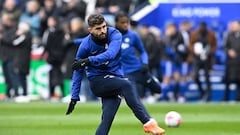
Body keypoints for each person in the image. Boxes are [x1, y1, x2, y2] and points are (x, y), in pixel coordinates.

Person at [65, 14, 165, 135]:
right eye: (98, 28)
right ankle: (148, 123)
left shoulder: (115, 34)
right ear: (90, 30)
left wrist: (88, 60)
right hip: (98, 81)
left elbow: (111, 54)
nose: (102, 31)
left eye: (104, 27)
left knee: (106, 121)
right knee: (127, 85)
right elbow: (78, 71)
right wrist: (74, 97)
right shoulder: (85, 46)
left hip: (115, 79)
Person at [114, 12, 161, 102]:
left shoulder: (133, 35)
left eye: (126, 22)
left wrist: (145, 62)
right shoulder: (111, 36)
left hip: (138, 68)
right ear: (116, 23)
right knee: (133, 97)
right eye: (122, 23)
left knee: (158, 89)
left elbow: (143, 51)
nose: (125, 25)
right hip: (125, 72)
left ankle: (154, 83)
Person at [189, 22, 217, 102]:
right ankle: (202, 92)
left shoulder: (211, 34)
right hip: (196, 58)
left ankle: (209, 95)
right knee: (195, 76)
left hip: (207, 58)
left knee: (207, 77)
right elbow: (190, 45)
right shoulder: (194, 34)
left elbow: (214, 46)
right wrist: (195, 51)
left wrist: (208, 52)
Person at [223, 20, 240, 102]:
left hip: (239, 62)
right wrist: (229, 51)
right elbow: (225, 47)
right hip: (230, 63)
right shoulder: (229, 35)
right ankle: (226, 98)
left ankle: (238, 99)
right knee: (228, 81)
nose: (233, 26)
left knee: (239, 82)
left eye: (235, 25)